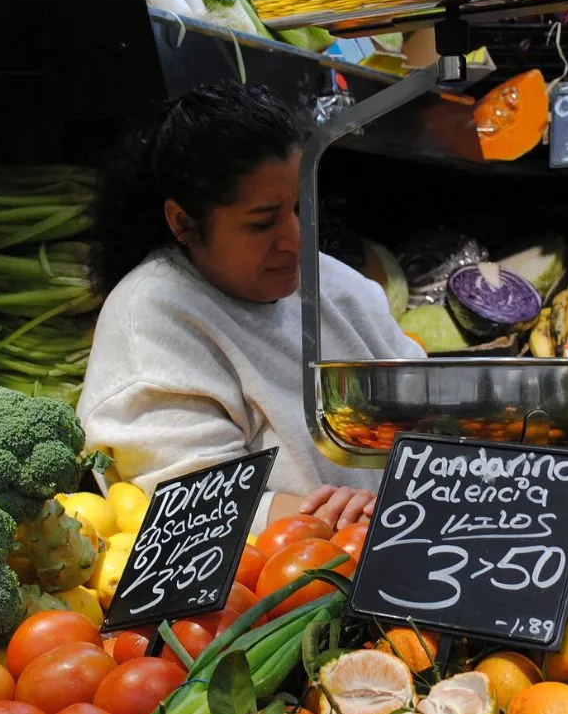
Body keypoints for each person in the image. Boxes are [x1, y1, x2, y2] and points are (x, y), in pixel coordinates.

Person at [79, 82, 422, 529]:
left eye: (300, 208)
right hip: (289, 583)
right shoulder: (153, 322)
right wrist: (344, 520)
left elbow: (425, 412)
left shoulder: (335, 285)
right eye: (262, 223)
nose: (297, 241)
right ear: (183, 222)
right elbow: (197, 507)